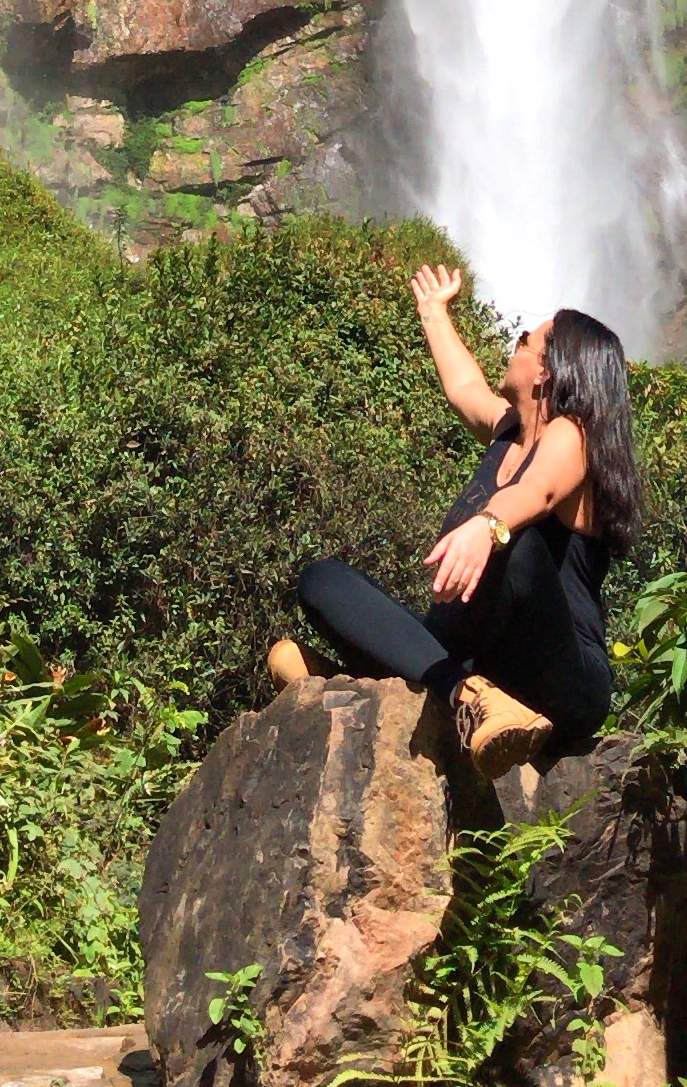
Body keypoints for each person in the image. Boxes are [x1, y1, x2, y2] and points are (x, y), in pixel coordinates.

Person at [266, 262, 640, 778]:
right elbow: (464, 386)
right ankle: (462, 694)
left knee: (517, 545)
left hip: (561, 675)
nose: (513, 345)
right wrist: (433, 311)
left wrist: (487, 526)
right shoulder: (508, 431)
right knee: (322, 579)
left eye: (523, 340)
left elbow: (539, 489)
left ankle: (359, 680)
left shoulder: (576, 436)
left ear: (546, 369)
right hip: (478, 663)